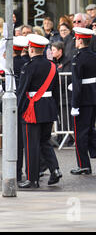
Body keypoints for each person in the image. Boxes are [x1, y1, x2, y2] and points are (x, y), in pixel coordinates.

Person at [17, 34, 62, 188]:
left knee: (31, 144)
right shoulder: (52, 66)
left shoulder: (28, 67)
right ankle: (55, 170)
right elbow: (56, 92)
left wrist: (18, 110)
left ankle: (32, 178)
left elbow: (23, 91)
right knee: (45, 141)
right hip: (48, 108)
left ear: (31, 48)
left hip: (32, 110)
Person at [70, 27, 96, 175]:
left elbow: (78, 83)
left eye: (76, 39)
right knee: (90, 130)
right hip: (93, 95)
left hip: (83, 99)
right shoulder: (95, 56)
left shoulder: (78, 58)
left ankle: (84, 165)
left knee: (80, 132)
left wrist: (74, 105)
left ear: (80, 40)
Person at [12, 36, 29, 182]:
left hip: (14, 104)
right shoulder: (26, 63)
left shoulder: (9, 64)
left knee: (15, 141)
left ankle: (16, 173)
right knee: (26, 141)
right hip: (26, 104)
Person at [51, 41, 74, 146]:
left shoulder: (67, 61)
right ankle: (60, 137)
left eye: (54, 50)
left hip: (66, 95)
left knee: (66, 119)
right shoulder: (53, 62)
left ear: (60, 51)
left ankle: (69, 138)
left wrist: (58, 80)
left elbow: (67, 77)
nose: (52, 52)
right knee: (59, 119)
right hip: (57, 95)